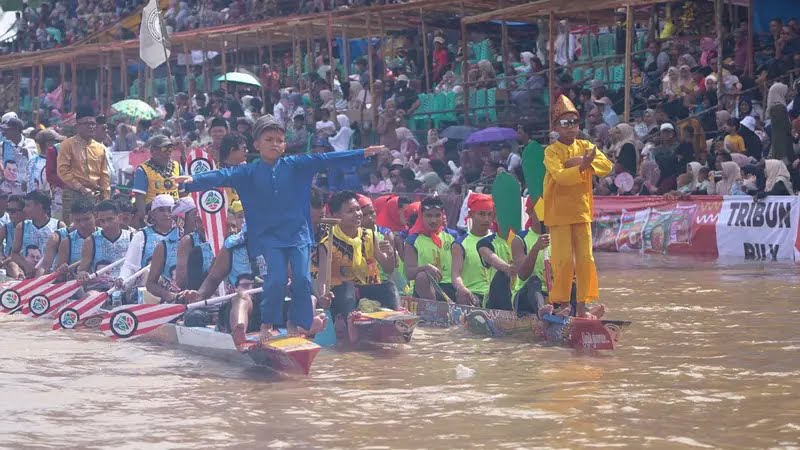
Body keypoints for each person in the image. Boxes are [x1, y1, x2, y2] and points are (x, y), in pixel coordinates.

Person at [176, 115, 385, 340]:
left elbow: (326, 159)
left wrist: (361, 153)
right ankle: (267, 324)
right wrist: (192, 182)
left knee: (302, 280)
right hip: (270, 238)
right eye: (269, 139)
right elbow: (221, 175)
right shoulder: (248, 172)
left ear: (284, 145)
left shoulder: (296, 165)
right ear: (257, 144)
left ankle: (298, 324)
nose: (275, 144)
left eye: (279, 140)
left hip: (298, 235)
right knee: (275, 280)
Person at [543, 95, 611, 318]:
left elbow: (606, 166)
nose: (571, 127)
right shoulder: (551, 152)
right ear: (556, 127)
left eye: (574, 122)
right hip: (559, 214)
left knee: (585, 260)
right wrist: (582, 165)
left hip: (582, 212)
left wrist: (582, 163)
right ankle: (563, 305)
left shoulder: (585, 146)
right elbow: (561, 177)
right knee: (562, 261)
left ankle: (581, 308)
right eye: (565, 123)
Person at [315, 191, 397, 343]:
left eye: (358, 209)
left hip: (367, 288)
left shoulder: (370, 235)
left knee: (389, 287)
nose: (358, 214)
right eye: (350, 211)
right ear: (336, 215)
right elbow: (322, 280)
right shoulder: (327, 243)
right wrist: (323, 296)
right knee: (348, 288)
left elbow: (388, 269)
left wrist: (390, 254)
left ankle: (394, 330)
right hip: (342, 294)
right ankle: (353, 333)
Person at [56, 106, 110, 223]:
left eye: (93, 124)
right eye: (86, 123)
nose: (91, 126)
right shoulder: (67, 144)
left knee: (95, 228)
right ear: (77, 126)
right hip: (74, 194)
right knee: (73, 227)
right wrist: (81, 188)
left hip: (94, 195)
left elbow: (104, 175)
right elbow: (63, 171)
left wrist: (106, 198)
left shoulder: (100, 148)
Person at [404, 196, 457, 302]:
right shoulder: (412, 240)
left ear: (442, 215)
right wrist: (425, 268)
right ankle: (434, 309)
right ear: (421, 216)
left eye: (437, 215)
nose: (433, 220)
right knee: (422, 276)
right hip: (426, 288)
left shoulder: (453, 236)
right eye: (428, 216)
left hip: (451, 286)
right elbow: (409, 273)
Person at [119, 194, 179, 281]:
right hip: (148, 285)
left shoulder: (181, 234)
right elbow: (130, 265)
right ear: (153, 214)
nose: (166, 214)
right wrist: (122, 278)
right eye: (161, 210)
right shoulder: (141, 235)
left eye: (170, 210)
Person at [77, 200, 132, 294]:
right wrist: (82, 275)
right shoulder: (90, 241)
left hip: (126, 288)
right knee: (91, 296)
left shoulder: (132, 238)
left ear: (120, 218)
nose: (106, 224)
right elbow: (82, 270)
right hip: (99, 290)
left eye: (110, 219)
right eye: (102, 221)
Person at [11, 190, 65, 278]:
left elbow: (64, 254)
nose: (24, 209)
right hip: (28, 272)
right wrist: (26, 265)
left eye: (28, 205)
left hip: (50, 273)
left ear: (39, 206)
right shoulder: (22, 226)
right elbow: (14, 254)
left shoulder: (59, 226)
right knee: (12, 265)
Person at [451, 193, 493, 306]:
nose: (486, 219)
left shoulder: (498, 240)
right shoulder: (460, 244)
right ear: (471, 214)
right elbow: (455, 275)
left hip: (494, 295)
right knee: (462, 296)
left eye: (489, 214)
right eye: (482, 214)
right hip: (473, 295)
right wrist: (462, 288)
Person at [132, 135, 183, 226]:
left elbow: (183, 193)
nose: (168, 153)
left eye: (170, 149)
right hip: (154, 213)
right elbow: (140, 198)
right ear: (152, 151)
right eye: (164, 149)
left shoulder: (177, 166)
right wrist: (145, 219)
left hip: (175, 211)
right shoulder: (143, 169)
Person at [47, 197, 97, 276]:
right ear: (72, 219)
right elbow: (59, 277)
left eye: (87, 219)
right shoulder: (67, 242)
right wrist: (61, 271)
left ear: (95, 216)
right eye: (78, 220)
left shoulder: (104, 236)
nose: (82, 224)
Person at [0, 194, 25, 278]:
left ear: (24, 211)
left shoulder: (30, 227)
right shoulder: (6, 228)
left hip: (26, 261)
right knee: (12, 265)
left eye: (13, 211)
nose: (10, 214)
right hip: (10, 263)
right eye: (8, 210)